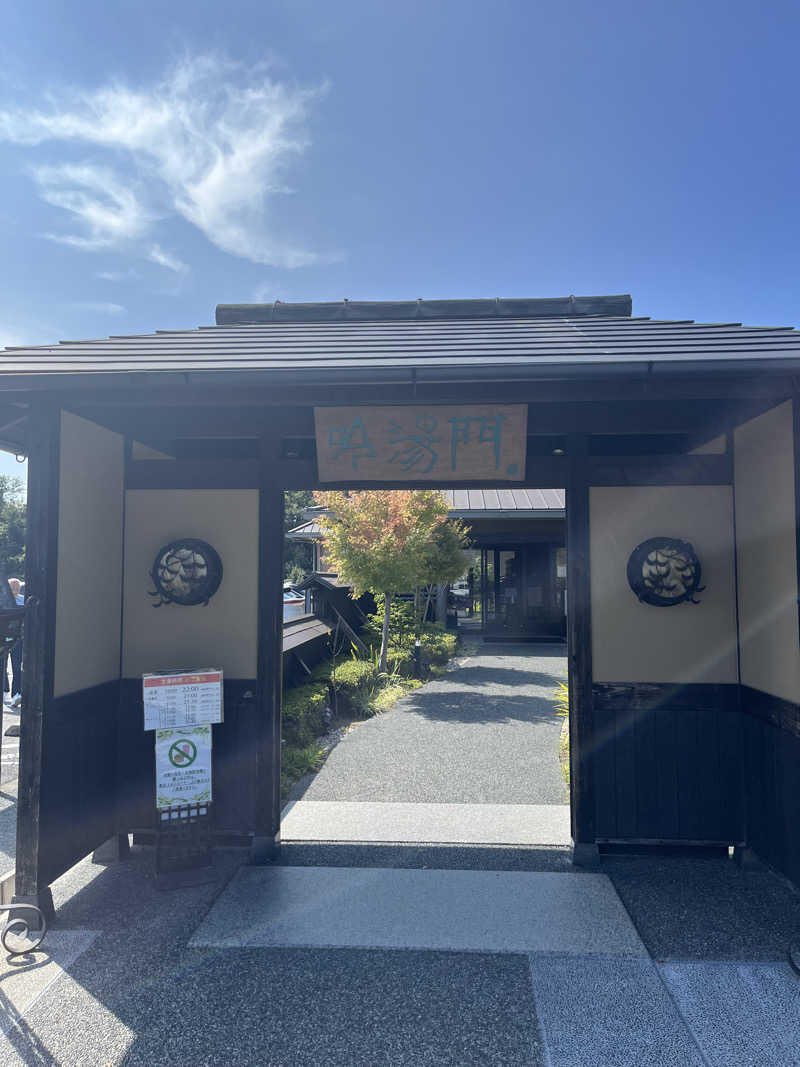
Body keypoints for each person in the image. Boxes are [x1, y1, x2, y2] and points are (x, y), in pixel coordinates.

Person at [7, 578, 22, 707]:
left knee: (17, 666)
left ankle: (16, 694)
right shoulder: (4, 600)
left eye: (18, 588)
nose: (16, 591)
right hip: (4, 637)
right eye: (13, 588)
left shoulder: (22, 599)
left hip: (17, 638)